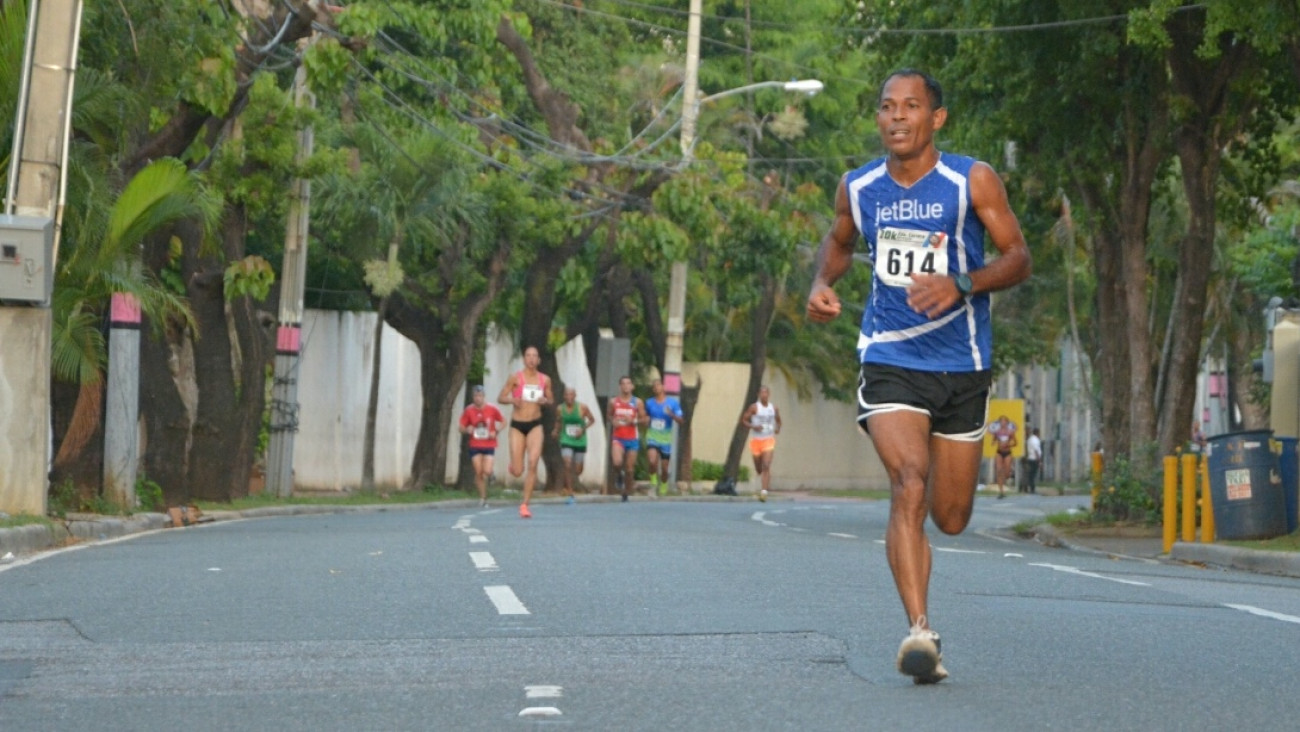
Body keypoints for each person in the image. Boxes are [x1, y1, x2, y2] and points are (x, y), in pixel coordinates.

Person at [804, 69, 1031, 685]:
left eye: (911, 106)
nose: (897, 117)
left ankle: (924, 586)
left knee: (950, 516)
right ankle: (920, 632)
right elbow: (839, 242)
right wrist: (822, 282)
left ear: (937, 118)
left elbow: (1018, 257)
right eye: (887, 107)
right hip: (890, 357)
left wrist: (962, 282)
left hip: (962, 363)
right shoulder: (858, 187)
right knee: (908, 482)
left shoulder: (970, 180)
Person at [497, 345, 553, 519]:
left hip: (535, 425)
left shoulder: (545, 379)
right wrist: (513, 400)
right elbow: (501, 397)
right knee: (518, 471)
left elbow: (551, 399)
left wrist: (545, 401)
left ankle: (524, 505)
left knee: (533, 462)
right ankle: (513, 466)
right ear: (524, 359)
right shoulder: (515, 378)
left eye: (534, 356)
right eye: (528, 355)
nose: (531, 359)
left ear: (539, 360)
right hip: (518, 426)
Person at [458, 385, 506, 507]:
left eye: (480, 396)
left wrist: (496, 430)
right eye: (475, 396)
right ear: (472, 397)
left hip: (489, 444)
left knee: (487, 470)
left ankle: (491, 474)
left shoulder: (492, 409)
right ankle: (483, 497)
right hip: (475, 444)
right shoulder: (469, 410)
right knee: (479, 472)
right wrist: (467, 429)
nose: (477, 398)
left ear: (484, 397)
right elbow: (461, 427)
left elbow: (503, 421)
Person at [552, 386, 596, 504]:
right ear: (564, 396)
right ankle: (570, 492)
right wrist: (556, 430)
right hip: (566, 439)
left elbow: (592, 420)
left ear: (575, 396)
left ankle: (572, 479)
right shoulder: (560, 408)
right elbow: (558, 421)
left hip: (580, 440)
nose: (569, 397)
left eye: (571, 395)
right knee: (567, 463)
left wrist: (583, 429)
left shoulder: (582, 407)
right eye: (567, 395)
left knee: (578, 470)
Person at [739, 385, 782, 502]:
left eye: (766, 393)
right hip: (756, 441)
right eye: (762, 393)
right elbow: (744, 420)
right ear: (759, 395)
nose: (764, 395)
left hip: (768, 439)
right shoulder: (754, 408)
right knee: (759, 468)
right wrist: (753, 426)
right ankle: (762, 474)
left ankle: (764, 492)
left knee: (766, 465)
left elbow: (779, 421)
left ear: (769, 394)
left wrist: (777, 428)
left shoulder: (773, 408)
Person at [607, 375, 646, 502]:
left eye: (628, 383)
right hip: (618, 437)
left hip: (632, 438)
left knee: (629, 468)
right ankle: (619, 475)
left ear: (632, 386)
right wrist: (613, 421)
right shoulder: (613, 402)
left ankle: (626, 491)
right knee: (617, 462)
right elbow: (609, 415)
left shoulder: (637, 402)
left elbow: (645, 419)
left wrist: (633, 421)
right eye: (623, 383)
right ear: (620, 386)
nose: (626, 386)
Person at [644, 378, 684, 496]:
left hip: (665, 439)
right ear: (653, 389)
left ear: (663, 387)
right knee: (652, 461)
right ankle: (653, 483)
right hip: (652, 436)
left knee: (665, 468)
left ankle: (664, 485)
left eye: (658, 385)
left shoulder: (672, 403)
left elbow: (681, 421)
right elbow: (645, 417)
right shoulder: (649, 403)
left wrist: (671, 414)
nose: (656, 387)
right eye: (654, 386)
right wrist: (646, 420)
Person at [988, 416, 1018, 498]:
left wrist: (1008, 445)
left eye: (1004, 421)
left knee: (1007, 472)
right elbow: (994, 440)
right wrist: (994, 442)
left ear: (1007, 423)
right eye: (1001, 421)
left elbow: (1015, 443)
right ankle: (1001, 491)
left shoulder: (1010, 432)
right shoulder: (997, 432)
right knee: (999, 471)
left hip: (1007, 453)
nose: (1003, 423)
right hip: (999, 452)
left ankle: (1009, 476)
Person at [1024, 426, 1042, 494]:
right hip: (1034, 459)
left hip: (1030, 458)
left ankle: (1029, 488)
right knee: (1033, 475)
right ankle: (1032, 489)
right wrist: (1039, 461)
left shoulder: (1030, 439)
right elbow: (1036, 451)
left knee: (1030, 475)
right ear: (1037, 433)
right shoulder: (1035, 440)